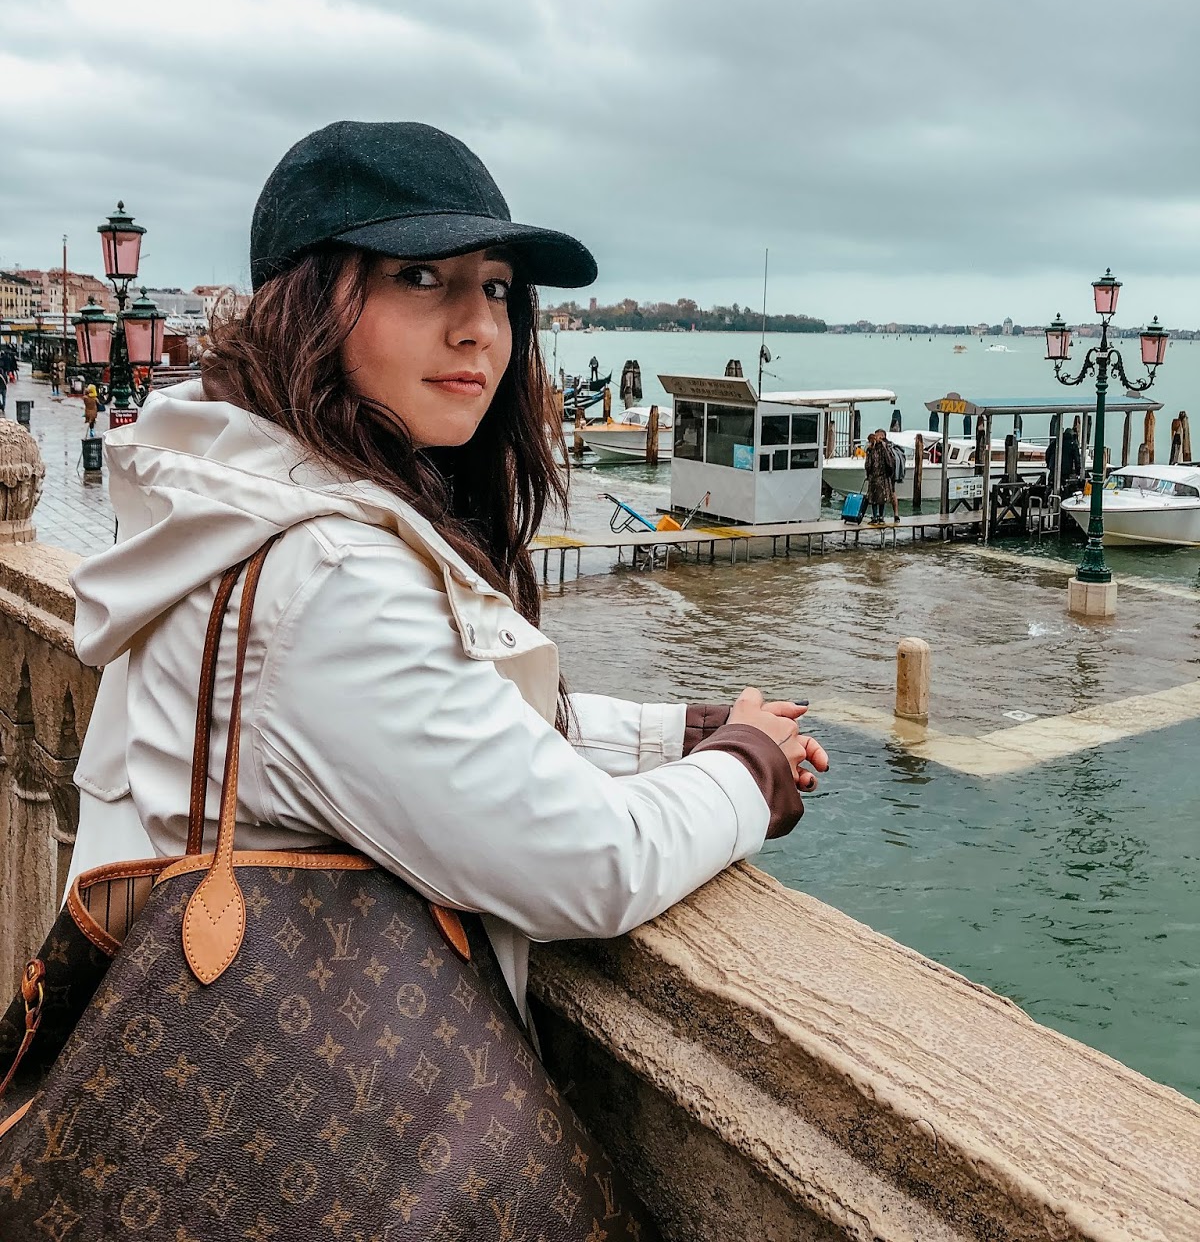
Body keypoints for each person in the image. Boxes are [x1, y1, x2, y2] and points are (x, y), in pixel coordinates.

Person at [67, 120, 828, 1215]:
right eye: (421, 277)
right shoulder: (329, 575)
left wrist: (674, 736)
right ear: (306, 300)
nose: (479, 327)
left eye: (498, 287)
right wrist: (749, 771)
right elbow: (590, 866)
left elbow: (416, 721)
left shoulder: (241, 495)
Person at [864, 429, 895, 525]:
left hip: (875, 476)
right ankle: (881, 517)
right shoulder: (885, 447)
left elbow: (868, 464)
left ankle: (875, 517)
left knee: (875, 498)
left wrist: (868, 474)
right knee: (881, 498)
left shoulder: (872, 449)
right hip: (883, 476)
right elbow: (890, 461)